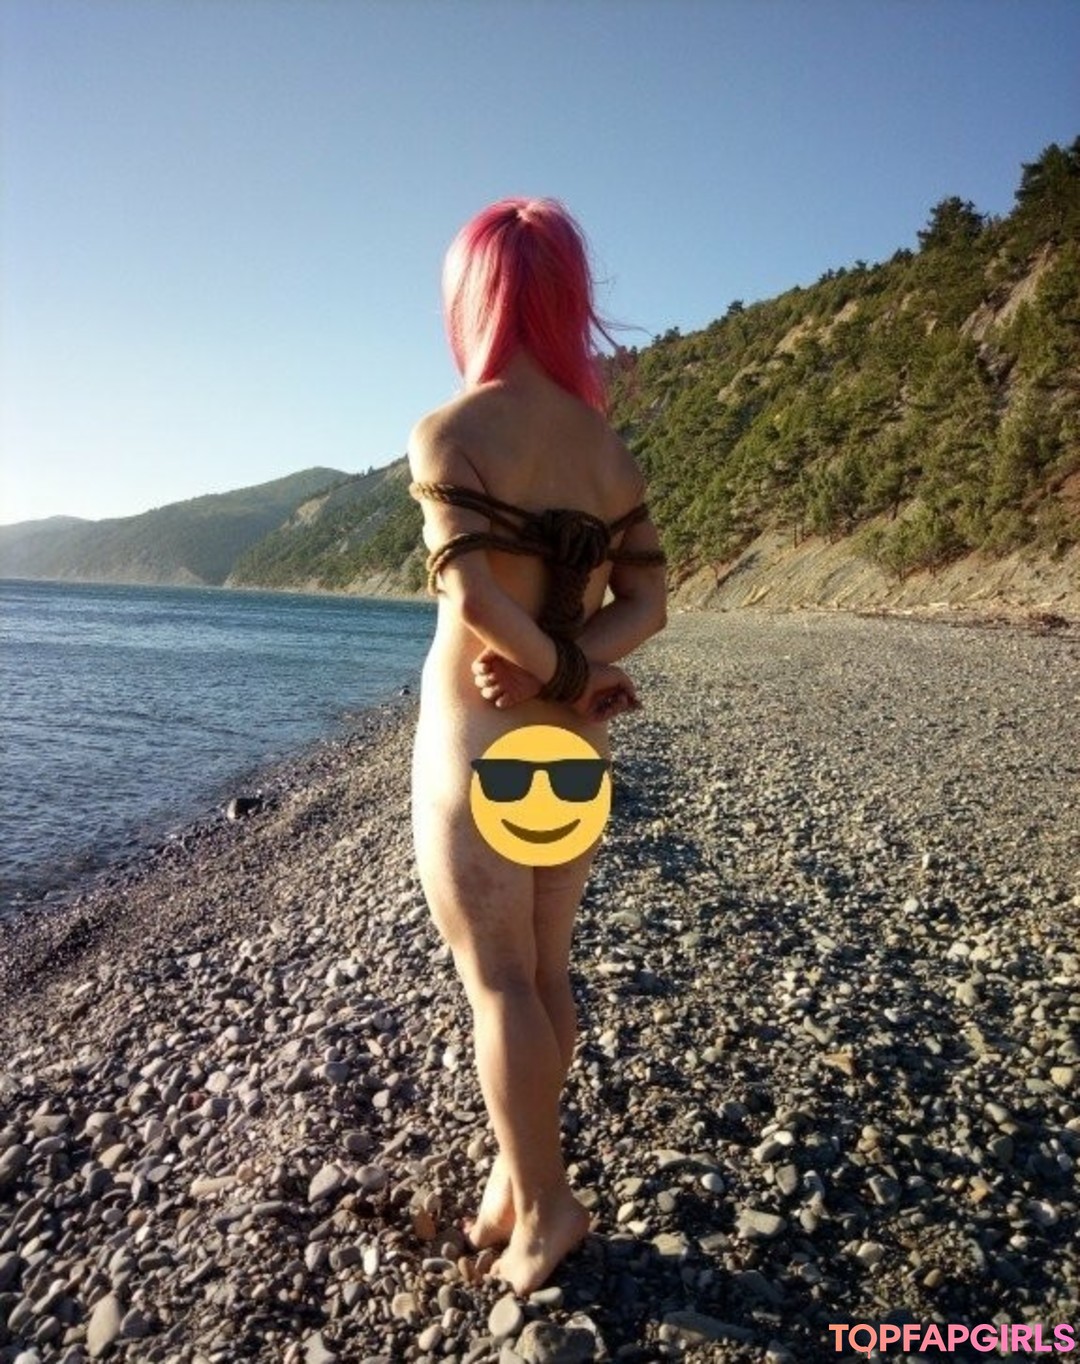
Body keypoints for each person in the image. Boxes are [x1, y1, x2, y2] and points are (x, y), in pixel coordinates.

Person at [408, 198, 668, 1295]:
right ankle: (517, 1183)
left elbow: (472, 596)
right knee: (546, 970)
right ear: (569, 298)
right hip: (576, 756)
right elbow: (648, 604)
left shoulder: (452, 432)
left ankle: (548, 1206)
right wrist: (576, 671)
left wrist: (544, 669)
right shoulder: (607, 453)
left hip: (479, 751)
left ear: (474, 296)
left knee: (499, 982)